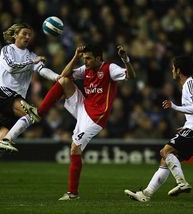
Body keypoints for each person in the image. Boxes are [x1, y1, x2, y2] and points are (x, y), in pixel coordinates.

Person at [20, 44, 136, 200]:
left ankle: (73, 193)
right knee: (63, 82)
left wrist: (125, 59)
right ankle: (39, 113)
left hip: (96, 118)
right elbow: (63, 75)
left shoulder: (109, 68)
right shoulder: (85, 69)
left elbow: (131, 76)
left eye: (88, 58)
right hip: (83, 107)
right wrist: (75, 57)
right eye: (84, 58)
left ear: (98, 58)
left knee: (75, 149)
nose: (85, 61)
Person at [0, 23, 59, 192]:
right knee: (31, 113)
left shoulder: (31, 55)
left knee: (0, 146)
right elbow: (11, 67)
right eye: (24, 33)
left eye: (29, 35)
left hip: (14, 101)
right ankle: (9, 139)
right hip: (2, 93)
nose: (27, 37)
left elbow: (42, 70)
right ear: (15, 34)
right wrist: (32, 61)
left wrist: (58, 78)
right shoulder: (7, 50)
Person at [124, 55, 193, 202]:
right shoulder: (190, 85)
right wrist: (188, 126)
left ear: (178, 70)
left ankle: (181, 183)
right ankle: (146, 194)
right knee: (165, 160)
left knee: (165, 151)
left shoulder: (190, 85)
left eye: (173, 67)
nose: (172, 70)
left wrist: (174, 106)